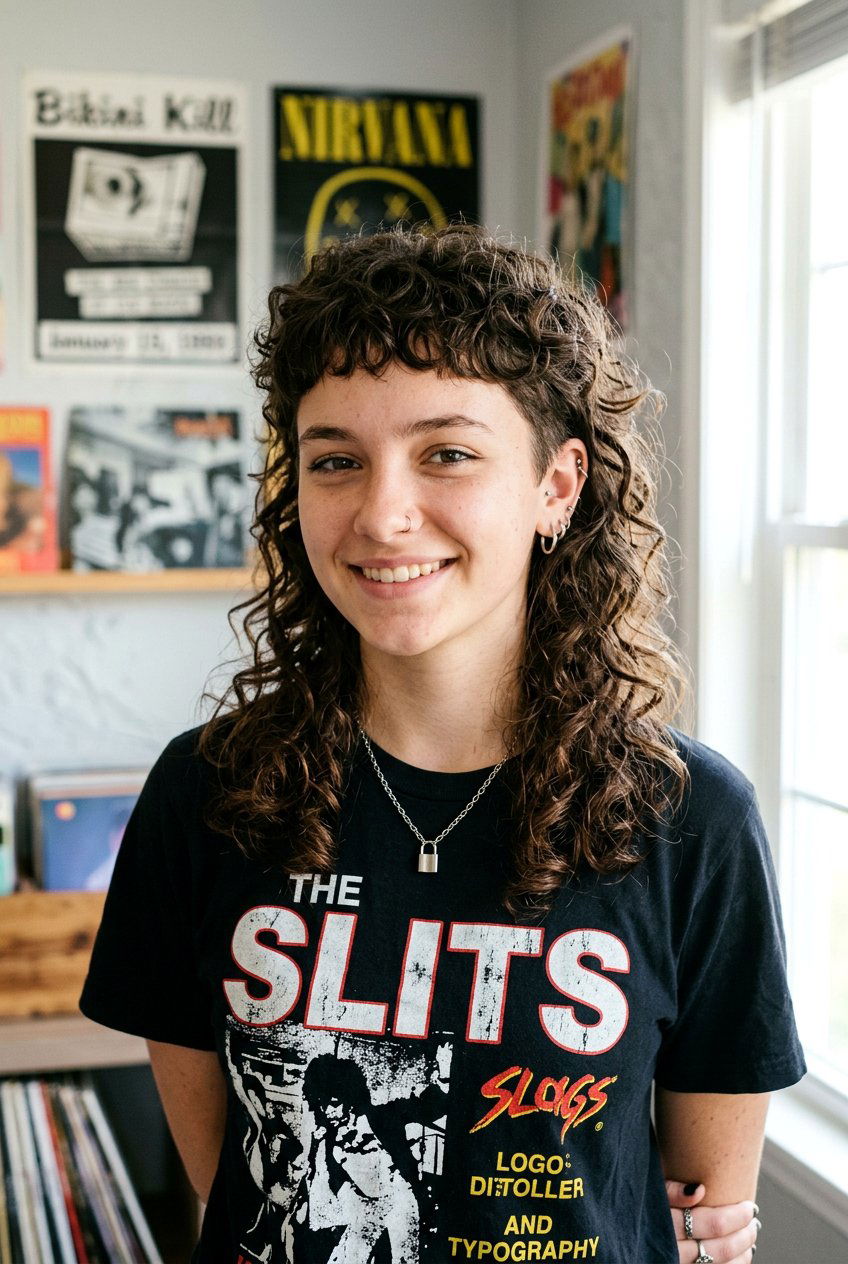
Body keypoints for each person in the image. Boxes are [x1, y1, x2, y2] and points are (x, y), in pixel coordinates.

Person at [80, 224, 805, 1264]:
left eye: (447, 453)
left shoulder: (689, 819)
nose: (382, 513)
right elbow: (234, 1182)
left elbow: (698, 1215)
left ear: (555, 485)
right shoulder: (206, 790)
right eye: (335, 460)